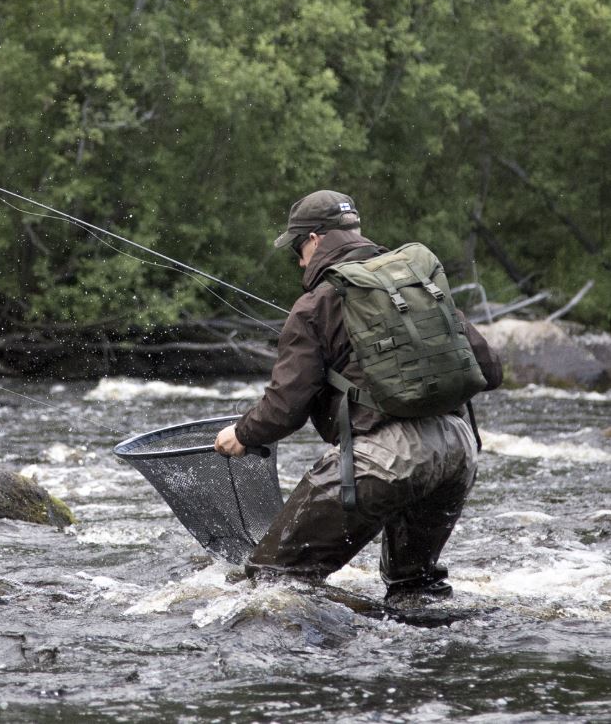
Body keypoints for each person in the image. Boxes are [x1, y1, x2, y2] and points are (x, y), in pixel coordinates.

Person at [214, 189, 502, 603]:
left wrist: (241, 434)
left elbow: (285, 407)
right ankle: (432, 658)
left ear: (314, 239)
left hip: (384, 460)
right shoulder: (416, 284)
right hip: (457, 449)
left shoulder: (313, 305)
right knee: (414, 588)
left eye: (298, 248)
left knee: (271, 585)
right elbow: (491, 371)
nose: (299, 261)